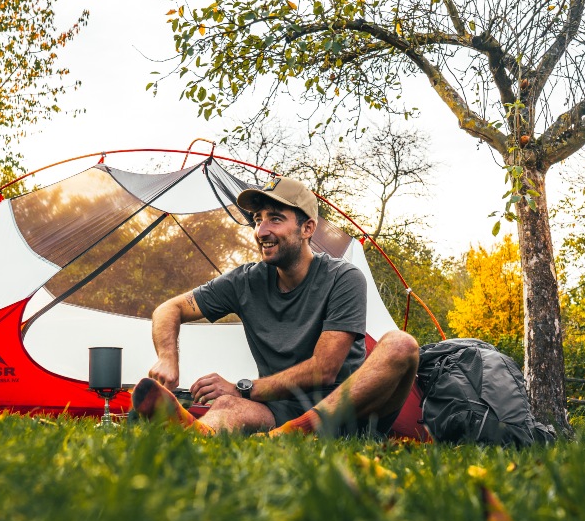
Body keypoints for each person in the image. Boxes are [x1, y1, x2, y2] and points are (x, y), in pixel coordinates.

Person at [131, 176, 419, 436]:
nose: (261, 231)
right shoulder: (245, 281)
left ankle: (301, 430)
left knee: (400, 344)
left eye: (276, 219)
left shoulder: (343, 278)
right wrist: (167, 358)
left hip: (351, 410)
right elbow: (169, 308)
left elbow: (324, 369)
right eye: (258, 219)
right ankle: (198, 434)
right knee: (228, 406)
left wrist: (243, 388)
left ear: (307, 228)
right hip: (281, 410)